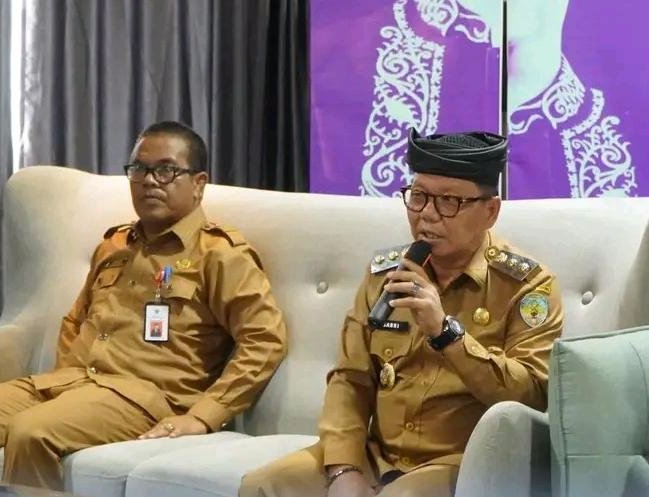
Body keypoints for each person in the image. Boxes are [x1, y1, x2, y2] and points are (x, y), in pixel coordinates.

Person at [0, 121, 288, 490]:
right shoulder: (115, 246)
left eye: (166, 170)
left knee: (32, 432)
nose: (149, 181)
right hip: (74, 383)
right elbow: (75, 321)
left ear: (198, 183)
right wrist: (67, 377)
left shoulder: (219, 255)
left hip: (147, 397)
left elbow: (264, 340)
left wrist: (204, 415)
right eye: (139, 169)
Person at [240, 128, 563, 497]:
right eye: (419, 197)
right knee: (263, 486)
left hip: (460, 462)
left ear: (490, 211)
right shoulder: (387, 275)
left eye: (449, 202)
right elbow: (350, 380)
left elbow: (533, 396)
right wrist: (344, 468)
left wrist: (446, 334)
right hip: (376, 456)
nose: (427, 215)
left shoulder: (526, 286)